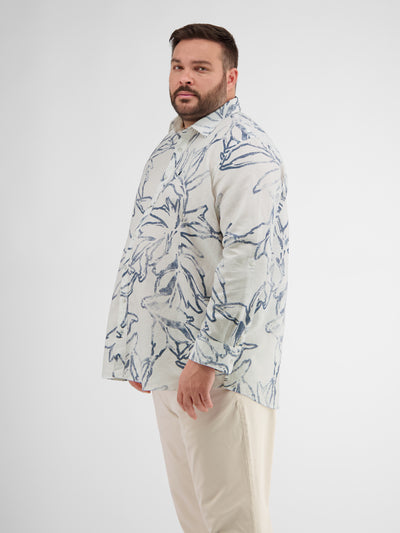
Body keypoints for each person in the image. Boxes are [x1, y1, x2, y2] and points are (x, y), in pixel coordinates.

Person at [102, 23, 289, 533]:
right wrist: (138, 345)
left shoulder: (245, 151)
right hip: (171, 365)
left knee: (233, 522)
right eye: (178, 67)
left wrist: (206, 359)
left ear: (231, 78)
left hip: (221, 372)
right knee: (197, 521)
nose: (185, 78)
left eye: (200, 68)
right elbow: (147, 246)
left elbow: (247, 262)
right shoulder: (172, 148)